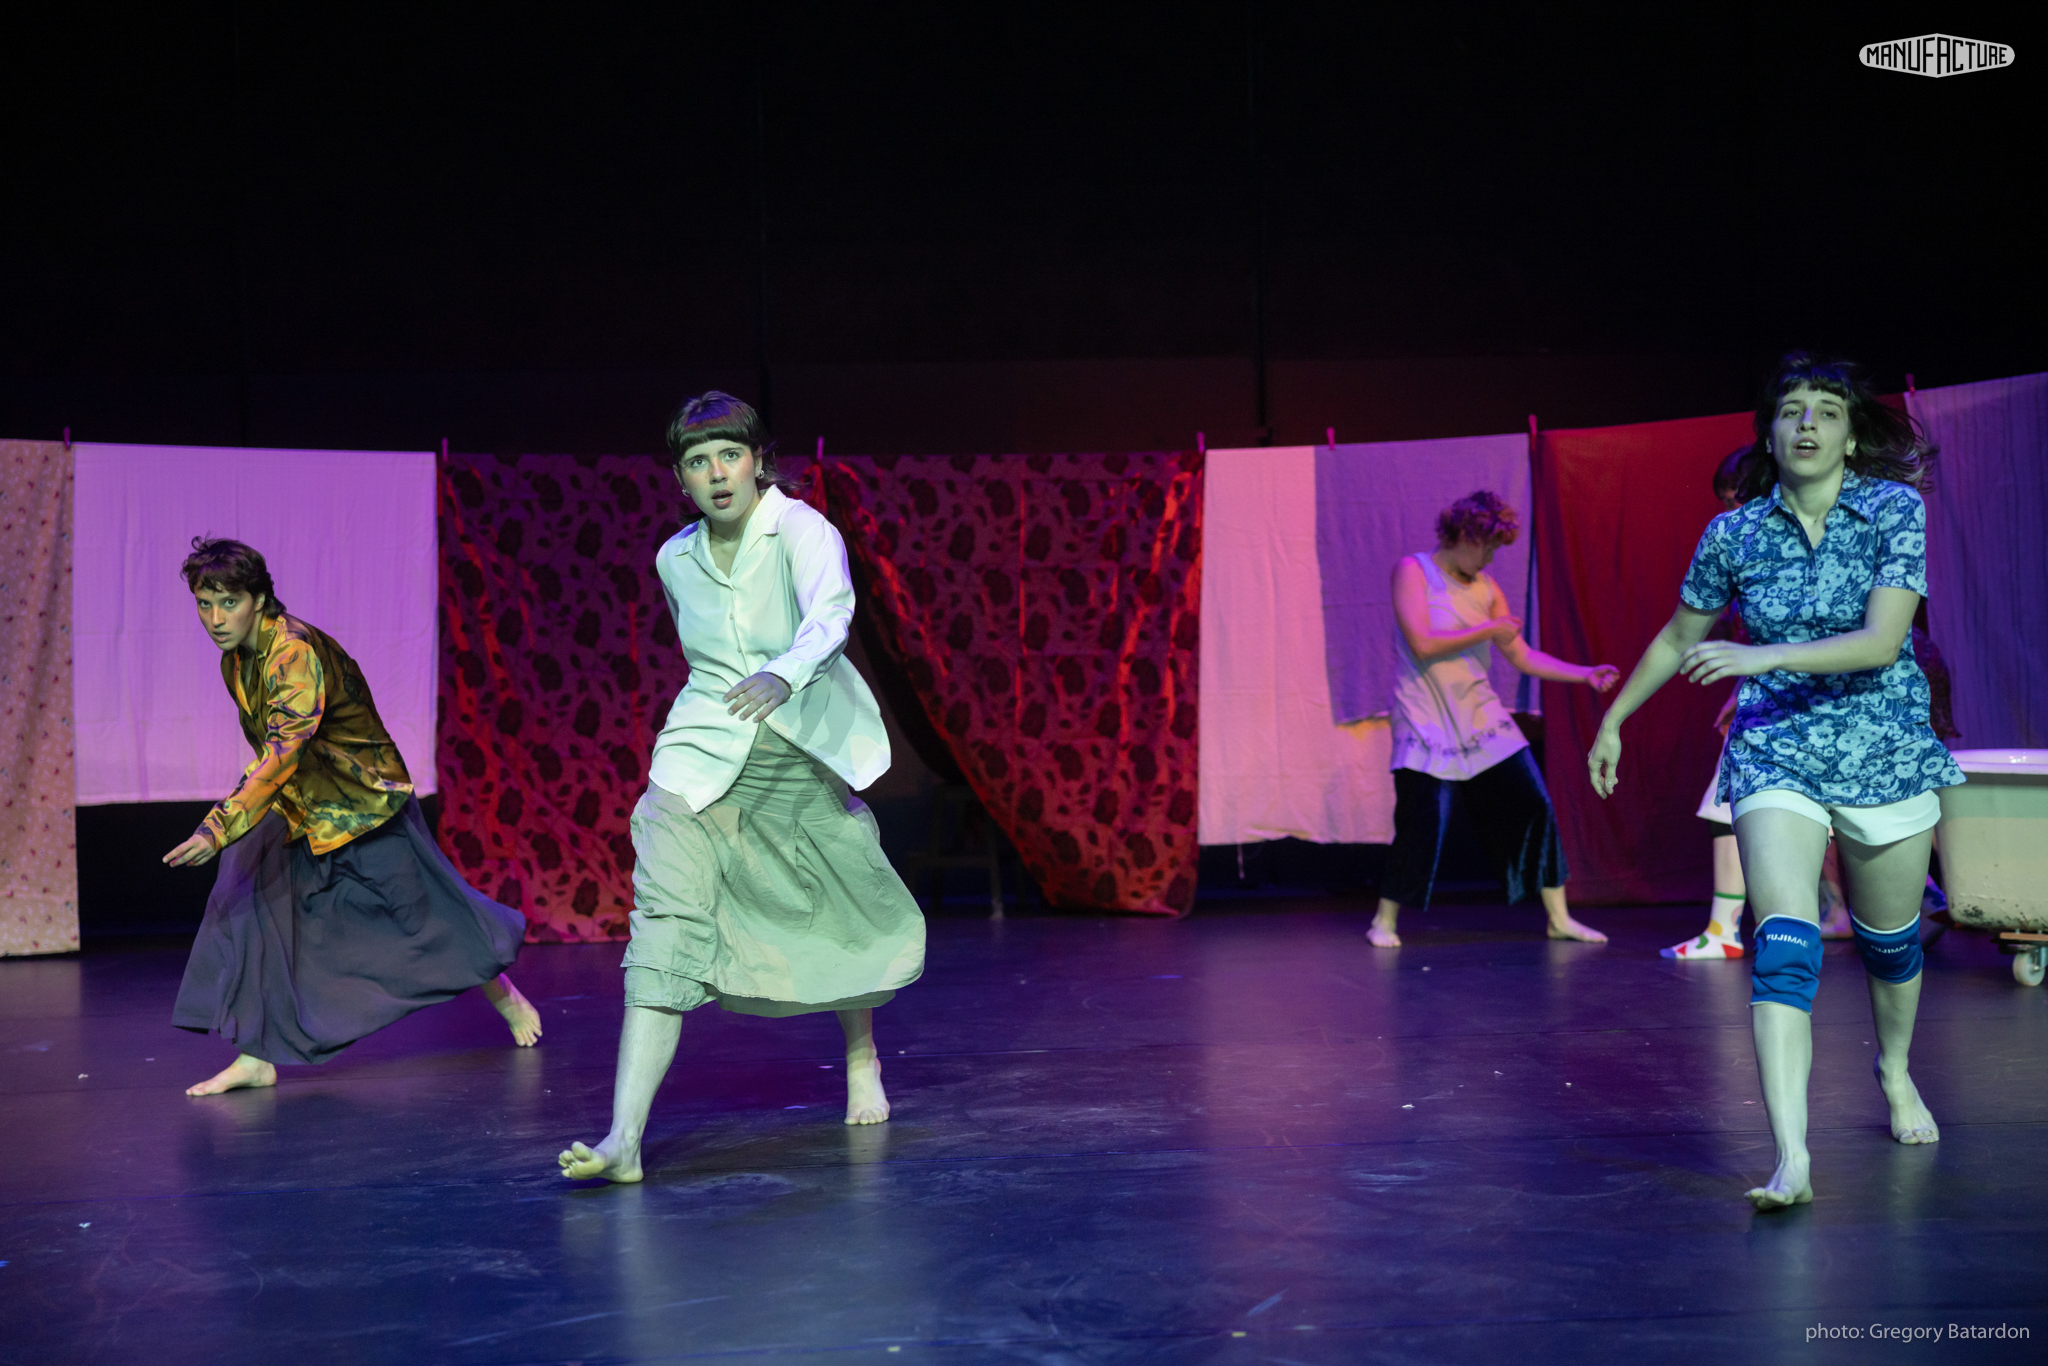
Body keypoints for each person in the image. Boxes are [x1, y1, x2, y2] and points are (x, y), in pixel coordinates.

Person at [1589, 353, 1962, 1210]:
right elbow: (1679, 637)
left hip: (1884, 746)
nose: (1807, 424)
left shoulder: (1892, 510)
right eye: (1792, 410)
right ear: (1769, 434)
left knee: (1890, 943)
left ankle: (1894, 1070)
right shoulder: (1734, 534)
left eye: (1827, 410)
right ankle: (1791, 1157)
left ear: (1851, 434)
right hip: (1776, 747)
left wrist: (1761, 656)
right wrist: (1615, 720)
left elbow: (1881, 641)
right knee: (1785, 942)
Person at [559, 392, 924, 1184]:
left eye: (730, 455)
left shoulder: (801, 530)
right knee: (662, 927)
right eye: (699, 462)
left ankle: (860, 1053)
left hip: (796, 746)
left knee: (837, 904)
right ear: (681, 479)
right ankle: (624, 1139)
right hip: (697, 757)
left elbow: (831, 617)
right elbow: (703, 662)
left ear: (758, 461)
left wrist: (783, 673)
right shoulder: (674, 558)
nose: (717, 473)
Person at [165, 539, 537, 1096]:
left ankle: (502, 993)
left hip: (361, 801)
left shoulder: (292, 653)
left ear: (259, 599)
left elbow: (284, 747)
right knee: (246, 906)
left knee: (425, 916)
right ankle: (255, 1057)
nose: (215, 619)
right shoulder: (236, 660)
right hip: (298, 800)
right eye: (204, 604)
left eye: (229, 603)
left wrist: (219, 825)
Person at [1369, 491, 1620, 949]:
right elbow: (1422, 642)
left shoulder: (1487, 589)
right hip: (1424, 714)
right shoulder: (1413, 570)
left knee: (1534, 804)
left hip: (1479, 714)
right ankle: (1384, 920)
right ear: (1466, 537)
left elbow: (1521, 655)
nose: (1489, 559)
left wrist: (1583, 674)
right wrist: (1488, 628)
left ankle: (1559, 918)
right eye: (1487, 548)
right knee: (1423, 819)